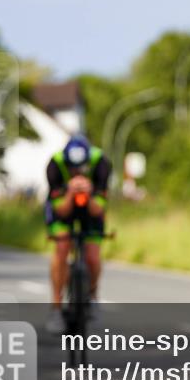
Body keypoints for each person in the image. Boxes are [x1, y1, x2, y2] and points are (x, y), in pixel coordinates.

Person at [44, 135, 112, 334]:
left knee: (92, 255)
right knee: (62, 247)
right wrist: (71, 193)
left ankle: (91, 297)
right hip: (63, 209)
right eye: (73, 168)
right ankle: (56, 308)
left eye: (81, 168)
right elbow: (61, 211)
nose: (76, 173)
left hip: (91, 210)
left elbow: (98, 210)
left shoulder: (101, 163)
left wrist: (89, 193)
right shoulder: (55, 165)